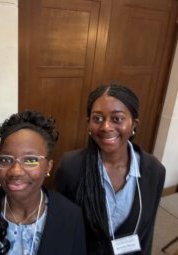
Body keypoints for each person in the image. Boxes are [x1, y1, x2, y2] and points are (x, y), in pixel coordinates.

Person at [55, 83, 166, 255]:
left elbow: (146, 232)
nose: (106, 127)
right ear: (88, 123)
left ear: (134, 124)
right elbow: (62, 227)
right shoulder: (71, 167)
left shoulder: (154, 170)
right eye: (97, 118)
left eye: (117, 118)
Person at [0, 110, 86, 255]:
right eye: (5, 160)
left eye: (30, 160)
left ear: (48, 167)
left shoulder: (71, 217)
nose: (15, 171)